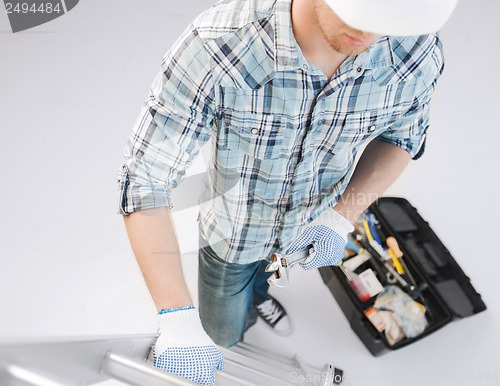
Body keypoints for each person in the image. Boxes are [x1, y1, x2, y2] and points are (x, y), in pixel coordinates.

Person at [118, 0, 457, 384]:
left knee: (265, 281)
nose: (369, 34)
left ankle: (259, 300)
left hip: (305, 232)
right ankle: (234, 328)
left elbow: (402, 139)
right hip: (232, 236)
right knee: (222, 336)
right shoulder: (218, 45)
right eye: (359, 14)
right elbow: (144, 180)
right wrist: (177, 321)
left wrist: (340, 215)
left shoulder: (415, 49)